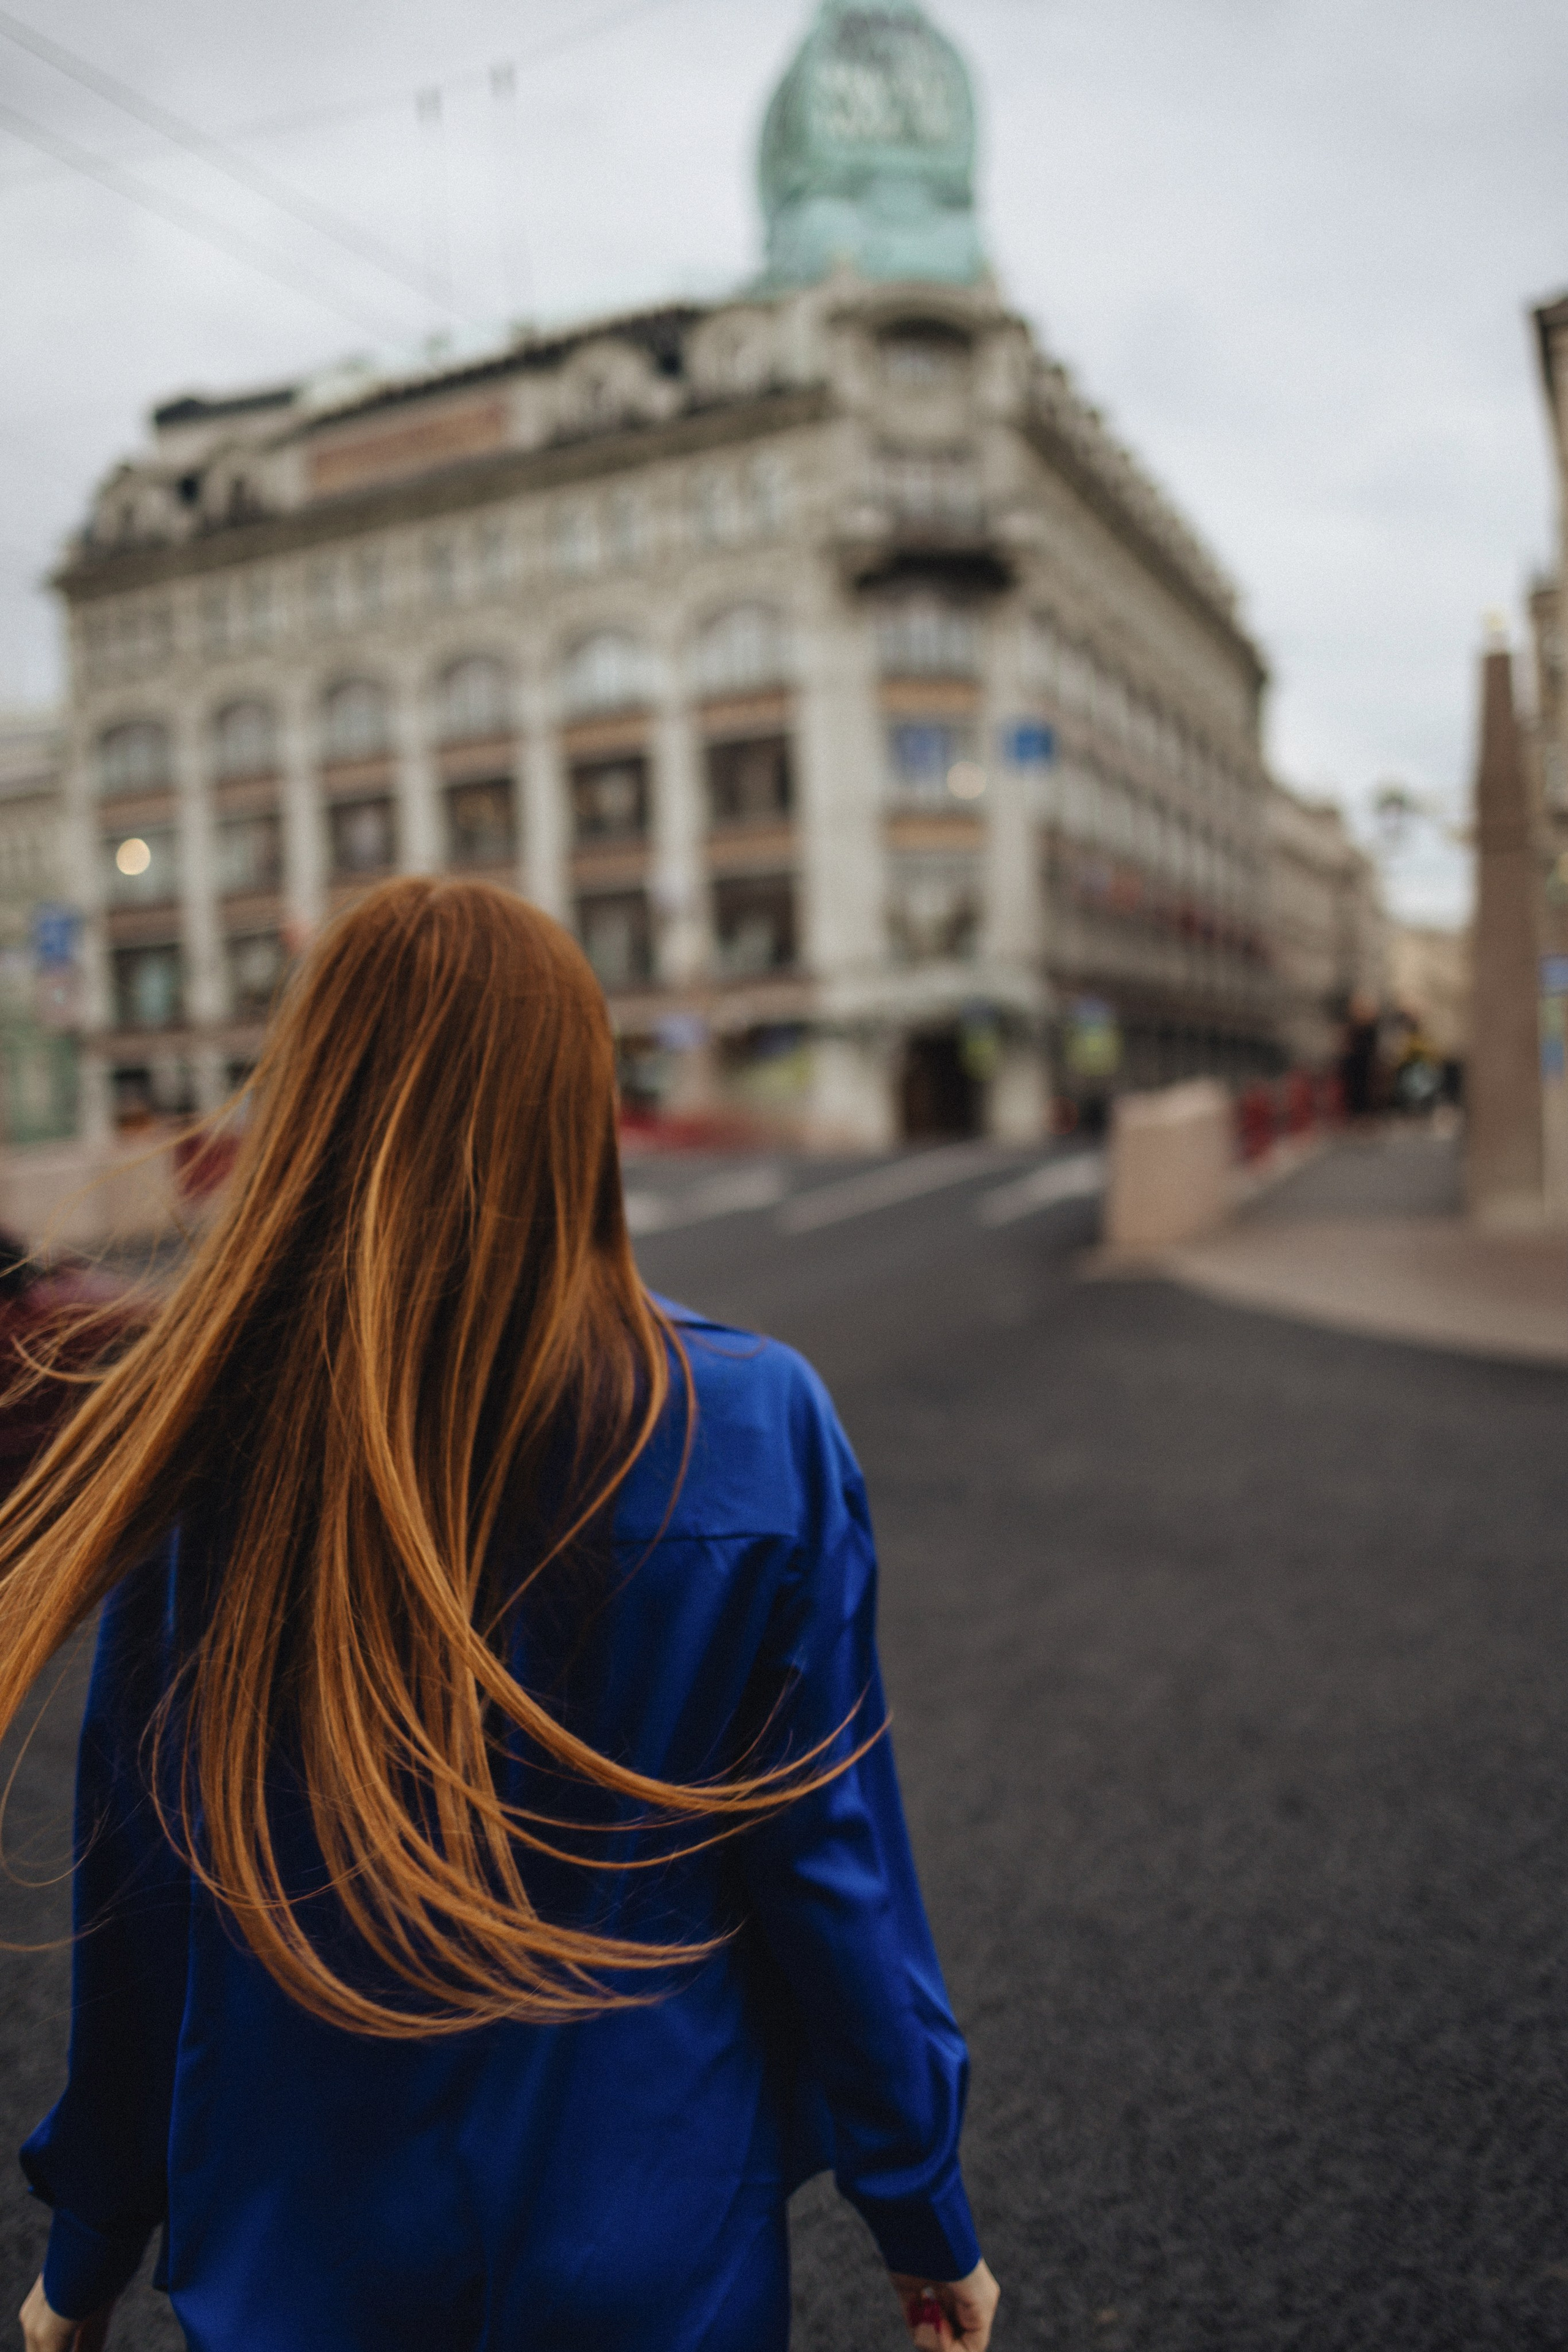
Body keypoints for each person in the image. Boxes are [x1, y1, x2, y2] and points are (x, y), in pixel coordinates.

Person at [4, 879, 998, 2352]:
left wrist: (86, 2250)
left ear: (316, 1100)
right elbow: (824, 1867)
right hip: (649, 2218)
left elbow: (147, 1885)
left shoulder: (217, 1430)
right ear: (573, 1100)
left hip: (301, 2236)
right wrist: (921, 2216)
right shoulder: (752, 1419)